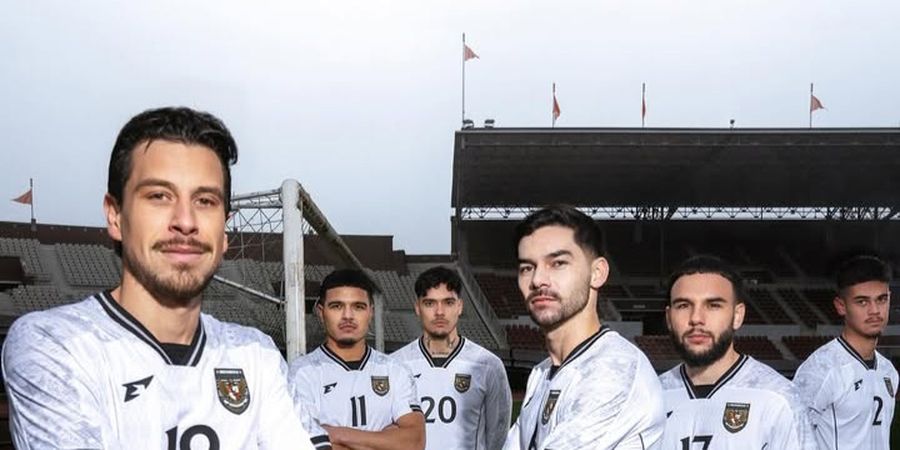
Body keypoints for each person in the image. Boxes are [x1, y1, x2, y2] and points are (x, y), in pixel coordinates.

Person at [1, 107, 314, 449]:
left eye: (205, 200)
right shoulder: (55, 344)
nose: (185, 220)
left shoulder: (256, 355)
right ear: (115, 215)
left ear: (225, 230)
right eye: (159, 196)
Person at [503, 204, 664, 450]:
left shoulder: (614, 370)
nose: (537, 280)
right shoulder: (542, 372)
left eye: (557, 263)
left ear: (597, 273)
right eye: (527, 267)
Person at [658, 255, 812, 449]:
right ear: (669, 318)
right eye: (683, 305)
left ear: (737, 315)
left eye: (713, 305)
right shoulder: (651, 396)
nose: (696, 318)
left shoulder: (777, 397)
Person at [288, 269, 425, 450]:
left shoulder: (395, 371)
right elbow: (305, 445)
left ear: (371, 312)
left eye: (358, 307)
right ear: (321, 312)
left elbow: (414, 443)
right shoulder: (301, 373)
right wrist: (386, 439)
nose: (348, 316)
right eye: (337, 306)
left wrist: (334, 434)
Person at [391, 266, 512, 450]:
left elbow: (498, 437)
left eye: (448, 302)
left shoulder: (488, 365)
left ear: (460, 306)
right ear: (417, 308)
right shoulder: (396, 365)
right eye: (430, 303)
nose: (439, 312)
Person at [794, 254, 898, 449]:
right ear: (841, 306)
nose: (875, 310)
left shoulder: (888, 370)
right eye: (862, 302)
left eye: (881, 299)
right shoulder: (820, 370)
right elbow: (789, 438)